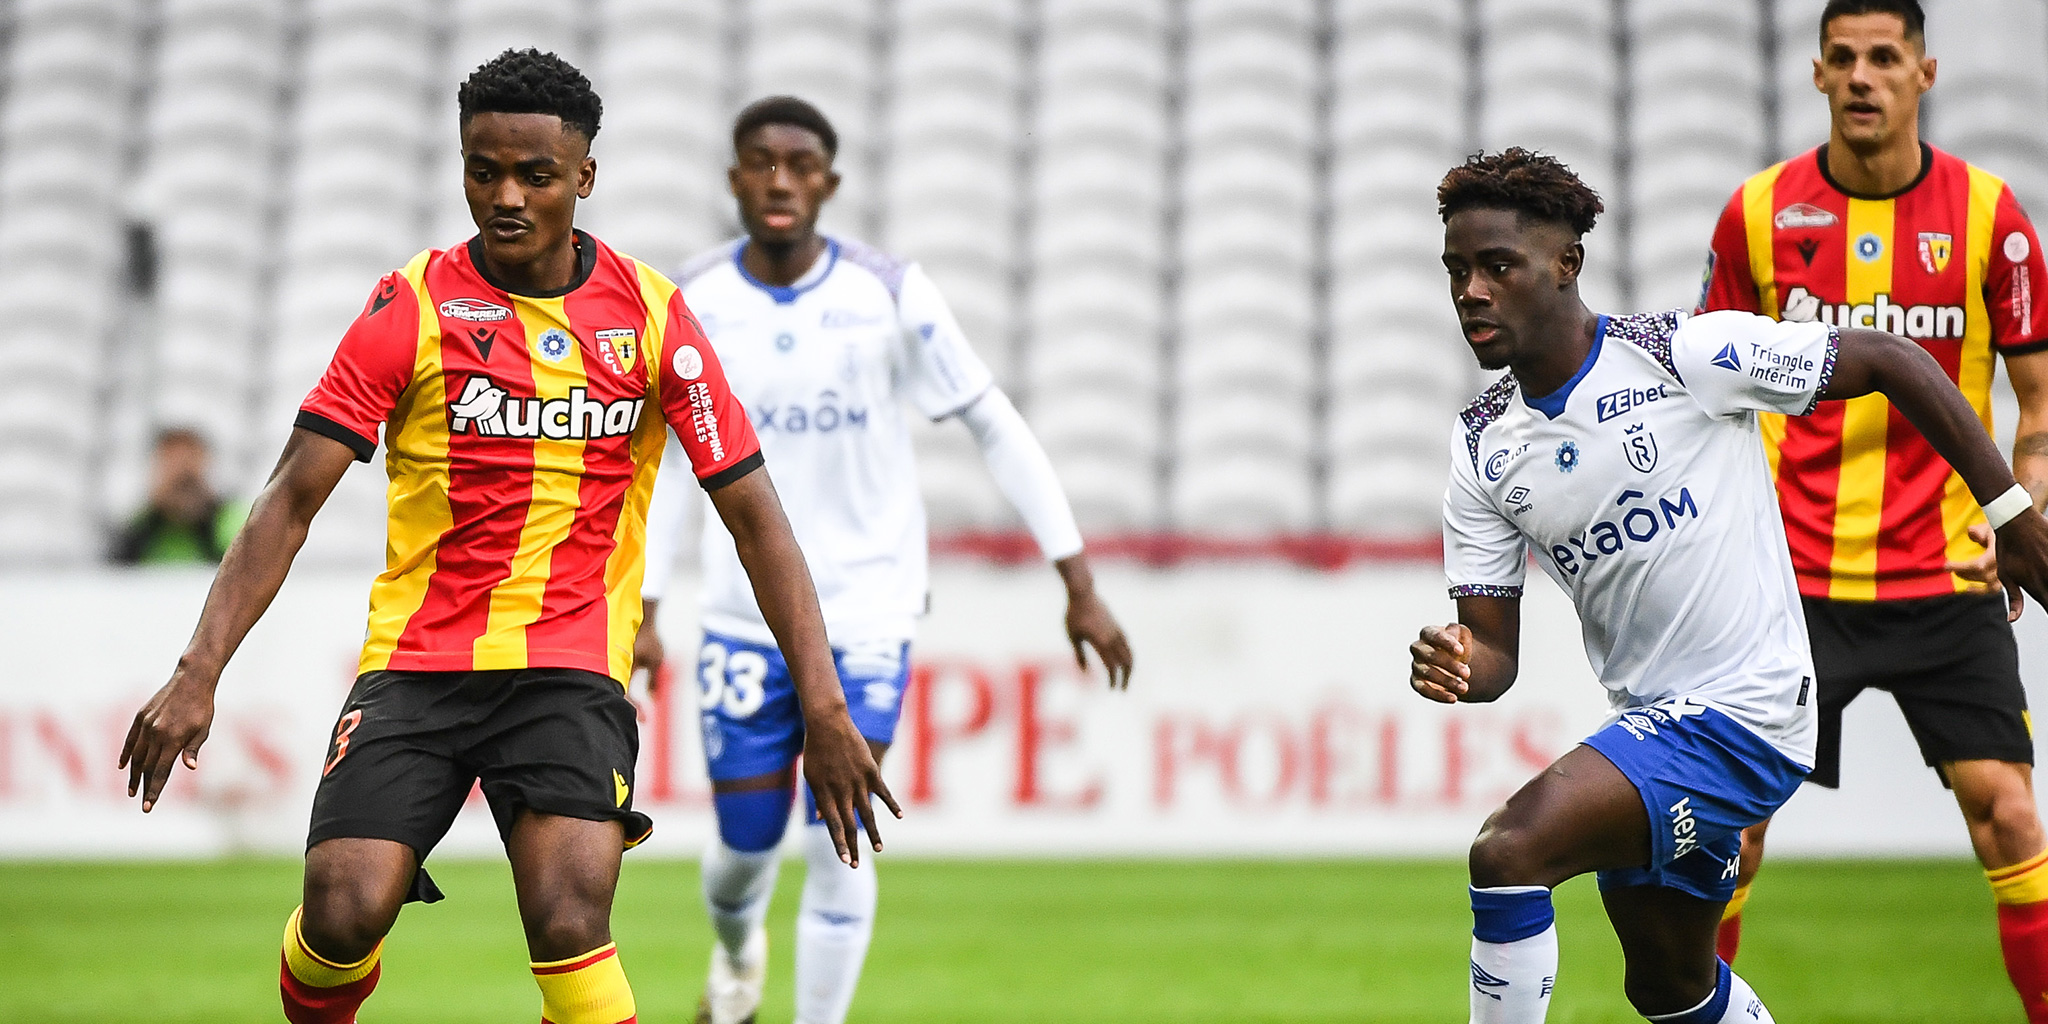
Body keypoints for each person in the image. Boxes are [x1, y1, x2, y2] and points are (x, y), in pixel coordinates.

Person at [117, 52, 895, 1024]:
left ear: (584, 176)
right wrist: (199, 670)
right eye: (483, 170)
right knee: (343, 911)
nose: (506, 195)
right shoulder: (412, 307)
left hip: (570, 666)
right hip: (416, 663)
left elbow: (755, 517)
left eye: (534, 173)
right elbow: (288, 499)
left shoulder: (652, 317)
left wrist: (823, 704)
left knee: (570, 917)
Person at [1410, 147, 2048, 1024]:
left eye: (1496, 266)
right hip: (1654, 722)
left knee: (1510, 850)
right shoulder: (1482, 446)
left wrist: (2009, 511)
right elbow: (1494, 655)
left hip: (1749, 709)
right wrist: (1458, 659)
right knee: (1670, 986)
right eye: (1457, 270)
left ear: (1566, 265)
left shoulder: (1684, 354)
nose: (1471, 291)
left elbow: (1894, 359)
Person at [631, 95, 1133, 1024]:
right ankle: (737, 958)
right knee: (742, 849)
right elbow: (660, 466)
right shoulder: (687, 302)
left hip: (866, 612)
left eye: (801, 163)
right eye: (761, 161)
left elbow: (995, 423)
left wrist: (1079, 581)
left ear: (829, 181)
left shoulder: (889, 293)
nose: (780, 179)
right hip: (742, 619)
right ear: (734, 177)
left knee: (840, 833)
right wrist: (647, 604)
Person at [1697, 1, 2048, 1009]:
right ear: (1813, 75)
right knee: (1733, 830)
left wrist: (2016, 507)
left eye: (1882, 57)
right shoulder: (1756, 215)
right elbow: (1705, 386)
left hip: (1943, 570)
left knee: (2010, 817)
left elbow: (2036, 405)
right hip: (1789, 582)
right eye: (1841, 58)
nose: (1860, 76)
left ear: (1922, 73)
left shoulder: (1989, 219)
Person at [110, 427, 249, 565]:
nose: (183, 495)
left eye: (190, 479)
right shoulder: (137, 528)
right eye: (175, 478)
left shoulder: (232, 522)